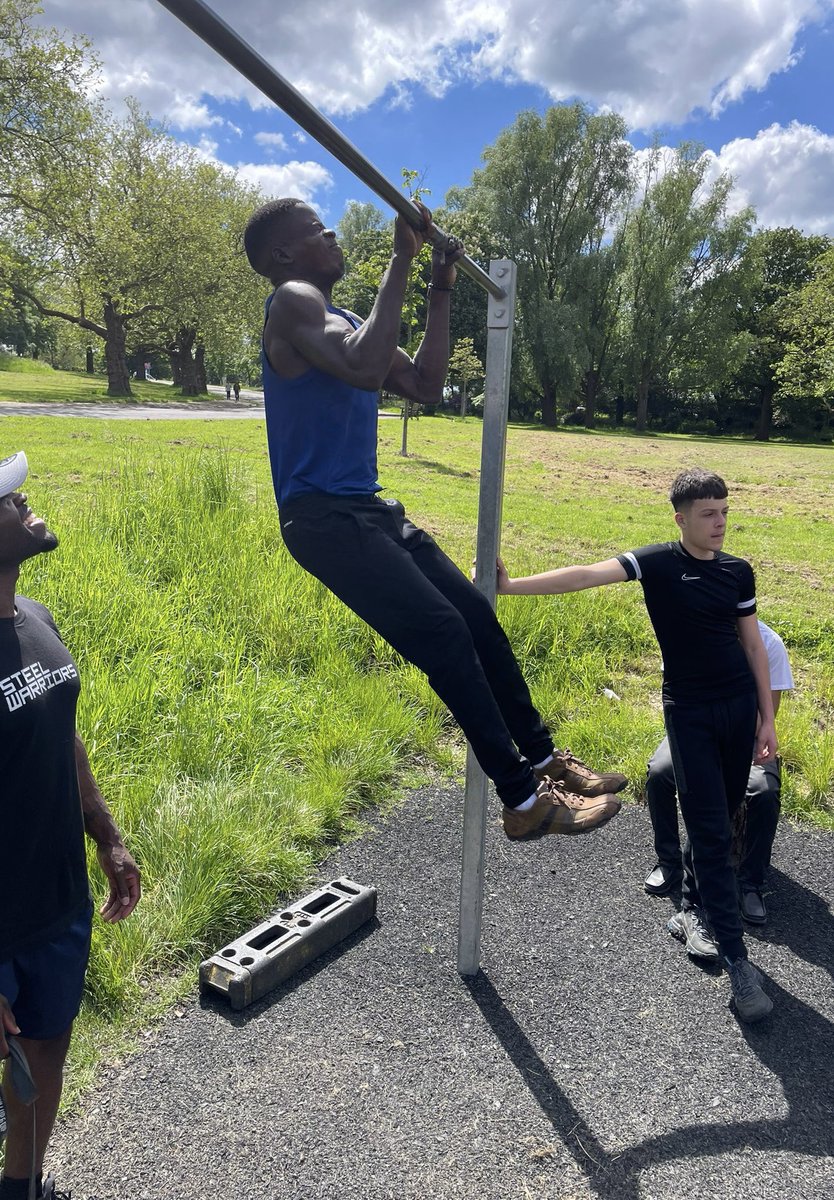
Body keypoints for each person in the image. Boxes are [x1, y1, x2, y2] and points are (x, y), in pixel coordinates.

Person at [241, 196, 626, 840]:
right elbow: (365, 368)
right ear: (283, 253)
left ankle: (541, 756)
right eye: (315, 229)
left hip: (367, 508)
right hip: (323, 519)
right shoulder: (293, 301)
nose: (331, 231)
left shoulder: (338, 317)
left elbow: (424, 384)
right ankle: (524, 798)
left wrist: (440, 290)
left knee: (475, 614)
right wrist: (400, 257)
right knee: (445, 633)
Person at [497, 468, 777, 1022]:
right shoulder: (656, 562)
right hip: (690, 712)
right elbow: (582, 576)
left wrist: (766, 721)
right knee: (710, 830)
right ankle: (739, 963)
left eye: (724, 511)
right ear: (681, 518)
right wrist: (510, 586)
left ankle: (693, 909)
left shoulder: (738, 572)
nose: (720, 523)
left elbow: (753, 647)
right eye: (708, 514)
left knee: (720, 817)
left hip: (739, 709)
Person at [0, 451, 141, 1200]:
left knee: (45, 1056)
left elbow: (64, 740)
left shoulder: (36, 621)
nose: (24, 499)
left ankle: (22, 1188)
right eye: (6, 498)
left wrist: (106, 835)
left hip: (56, 907)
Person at [644, 619, 793, 927]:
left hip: (747, 738)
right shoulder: (692, 631)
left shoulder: (769, 645)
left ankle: (751, 883)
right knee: (659, 773)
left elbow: (766, 717)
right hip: (694, 732)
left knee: (764, 792)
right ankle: (668, 860)